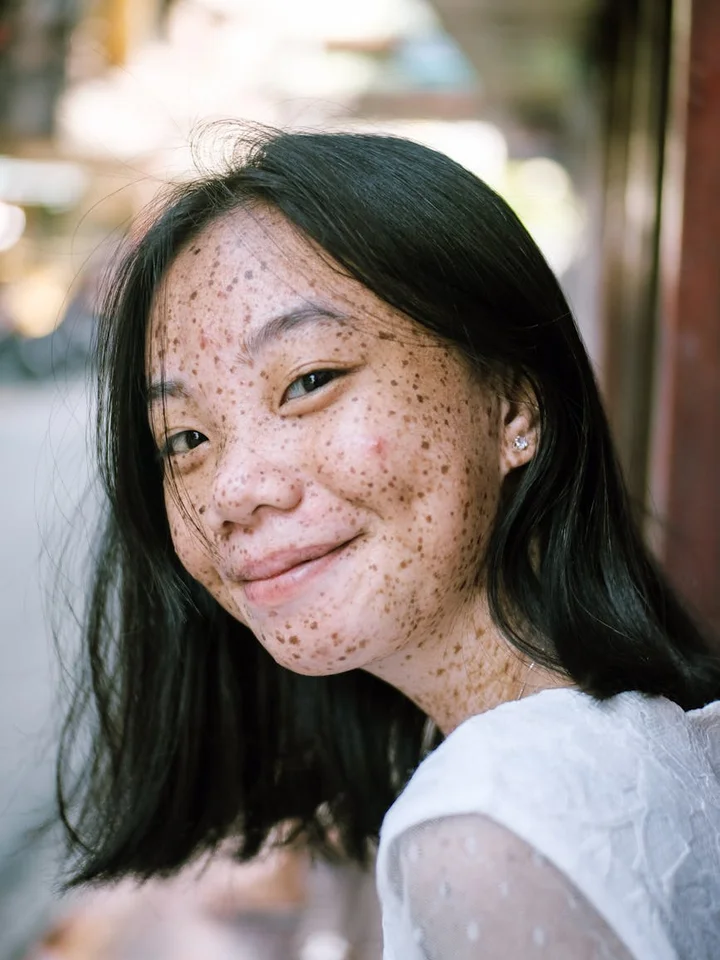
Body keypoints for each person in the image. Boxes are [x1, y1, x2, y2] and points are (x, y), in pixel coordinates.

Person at [58, 127, 720, 959]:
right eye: (184, 438)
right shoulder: (651, 742)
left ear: (515, 406)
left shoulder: (487, 831)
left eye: (309, 381)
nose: (229, 493)